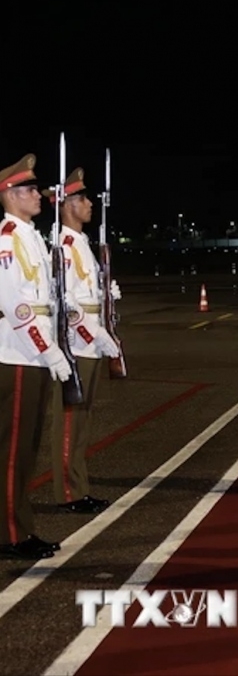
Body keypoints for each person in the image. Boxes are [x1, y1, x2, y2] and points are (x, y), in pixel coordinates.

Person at [0, 155, 71, 559]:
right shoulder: (9, 238)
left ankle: (17, 527)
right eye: (28, 190)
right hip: (20, 355)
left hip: (32, 354)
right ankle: (11, 534)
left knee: (24, 450)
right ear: (9, 194)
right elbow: (16, 305)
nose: (37, 195)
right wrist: (48, 351)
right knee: (13, 451)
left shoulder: (30, 236)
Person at [42, 168, 122, 513]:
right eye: (84, 199)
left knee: (83, 419)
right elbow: (66, 301)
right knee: (69, 420)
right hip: (75, 342)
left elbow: (85, 294)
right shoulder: (63, 245)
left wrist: (107, 297)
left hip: (88, 340)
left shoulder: (81, 244)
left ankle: (79, 485)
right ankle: (69, 493)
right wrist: (95, 332)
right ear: (68, 204)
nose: (90, 204)